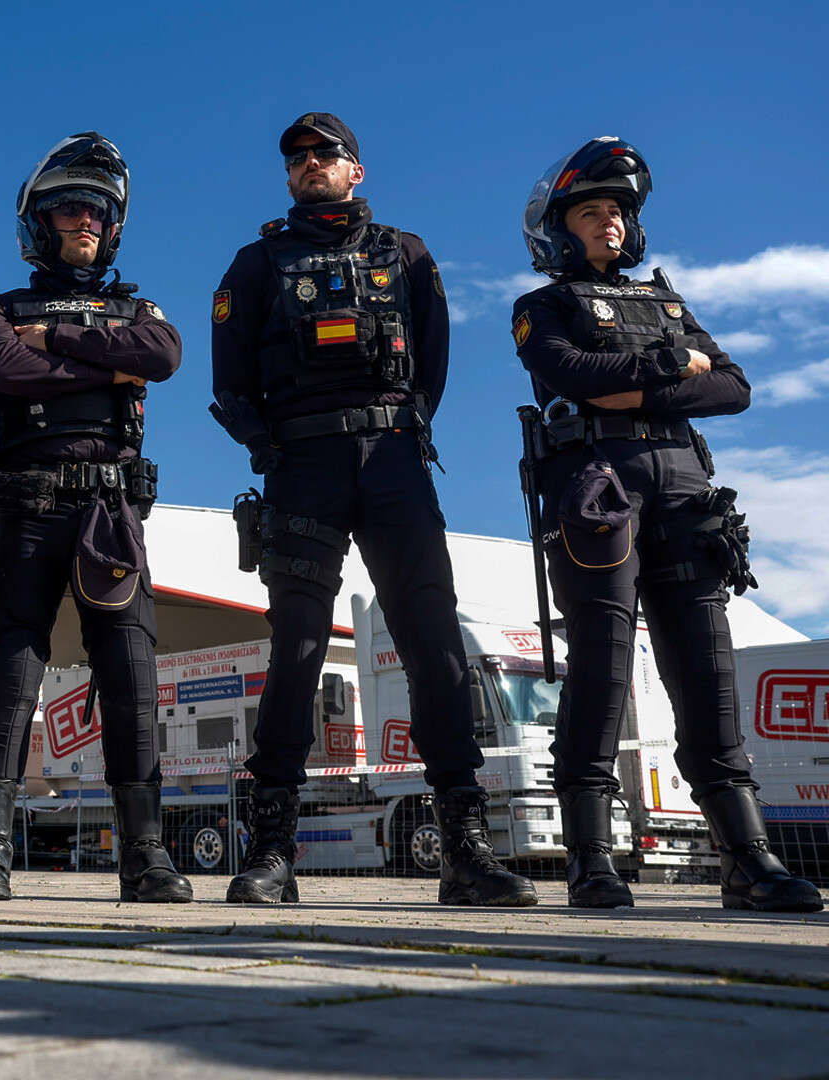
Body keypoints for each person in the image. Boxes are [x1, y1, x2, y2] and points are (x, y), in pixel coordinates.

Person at [209, 112, 535, 906]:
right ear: (288, 177)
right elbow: (229, 382)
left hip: (394, 464)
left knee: (434, 646)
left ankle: (465, 855)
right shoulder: (255, 263)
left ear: (358, 170)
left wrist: (394, 427)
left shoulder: (407, 252)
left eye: (327, 154)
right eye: (297, 158)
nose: (311, 163)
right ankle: (272, 854)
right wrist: (276, 449)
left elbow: (434, 363)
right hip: (301, 469)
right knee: (297, 650)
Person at [512, 137, 821, 912]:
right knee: (603, 666)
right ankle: (591, 861)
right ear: (558, 227)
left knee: (708, 673)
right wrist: (667, 368)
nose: (610, 223)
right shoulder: (540, 307)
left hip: (687, 493)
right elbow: (571, 376)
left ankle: (749, 861)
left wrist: (632, 390)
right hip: (596, 489)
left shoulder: (668, 301)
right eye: (592, 211)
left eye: (618, 210)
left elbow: (735, 387)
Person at [0, 132, 192, 904]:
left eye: (96, 210)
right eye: (68, 209)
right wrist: (105, 360)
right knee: (16, 675)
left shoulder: (140, 309)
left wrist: (57, 339)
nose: (85, 221)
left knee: (131, 677)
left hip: (111, 512)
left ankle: (147, 858)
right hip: (29, 509)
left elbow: (163, 353)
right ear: (39, 222)